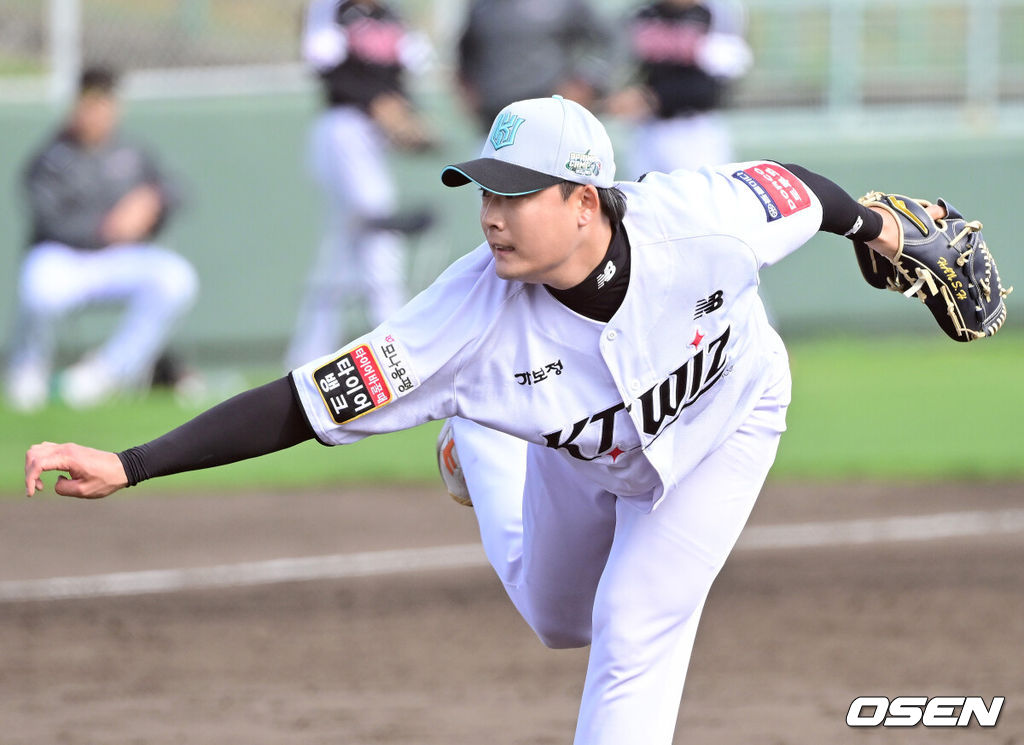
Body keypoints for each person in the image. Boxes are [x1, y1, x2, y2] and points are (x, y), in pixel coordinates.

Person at [25, 96, 942, 744]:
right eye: (485, 193)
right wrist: (133, 461)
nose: (492, 217)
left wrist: (885, 233)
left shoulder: (697, 221)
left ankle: (488, 432)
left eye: (515, 194)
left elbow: (799, 189)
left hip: (728, 419)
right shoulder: (457, 319)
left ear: (585, 201)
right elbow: (300, 403)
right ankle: (482, 439)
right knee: (554, 616)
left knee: (632, 618)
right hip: (583, 455)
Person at [4, 65, 197, 412]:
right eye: (89, 104)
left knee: (175, 278)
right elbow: (48, 219)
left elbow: (176, 188)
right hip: (65, 257)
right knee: (40, 289)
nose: (97, 113)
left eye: (104, 104)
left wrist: (153, 200)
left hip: (118, 259)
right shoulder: (51, 157)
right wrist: (106, 227)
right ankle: (27, 369)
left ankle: (105, 373)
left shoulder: (131, 151)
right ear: (76, 107)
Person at [284, 0, 437, 371]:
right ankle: (399, 341)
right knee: (377, 222)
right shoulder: (331, 9)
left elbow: (400, 76)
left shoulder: (391, 15)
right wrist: (378, 105)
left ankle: (307, 354)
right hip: (342, 130)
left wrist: (408, 118)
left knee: (343, 245)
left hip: (373, 138)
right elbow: (327, 68)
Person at [605, 0, 753, 176]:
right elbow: (622, 66)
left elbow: (717, 86)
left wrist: (654, 97)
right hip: (646, 127)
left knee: (700, 196)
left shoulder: (718, 12)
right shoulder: (642, 13)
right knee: (644, 196)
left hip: (695, 130)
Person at [455, 0, 615, 133]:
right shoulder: (483, 6)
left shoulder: (565, 4)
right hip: (495, 122)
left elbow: (608, 40)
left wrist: (587, 81)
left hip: (550, 115)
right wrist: (467, 92)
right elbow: (465, 52)